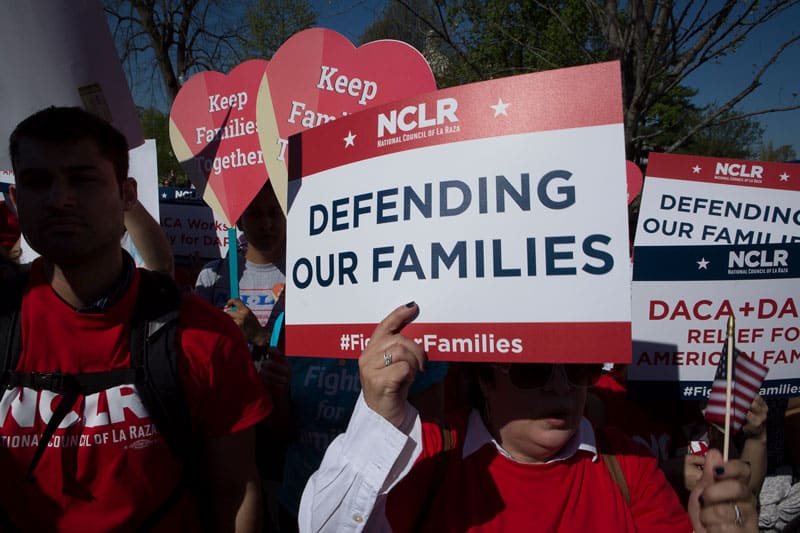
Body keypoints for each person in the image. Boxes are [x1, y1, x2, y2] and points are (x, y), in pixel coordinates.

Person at [3, 106, 271, 531]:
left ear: (128, 194)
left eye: (82, 178)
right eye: (38, 182)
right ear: (16, 202)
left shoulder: (203, 336)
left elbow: (236, 491)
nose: (59, 198)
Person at [299, 303, 759, 532]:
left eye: (578, 369)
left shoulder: (628, 463)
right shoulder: (434, 451)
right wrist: (378, 417)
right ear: (485, 378)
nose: (561, 387)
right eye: (532, 372)